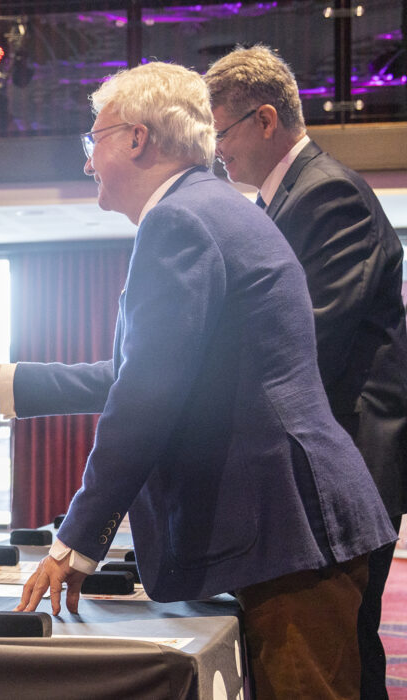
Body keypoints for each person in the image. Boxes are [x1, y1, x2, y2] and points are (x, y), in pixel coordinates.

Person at [0, 62, 395, 700]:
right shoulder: (207, 208)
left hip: (288, 530)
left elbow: (146, 397)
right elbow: (156, 374)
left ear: (137, 138)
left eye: (93, 139)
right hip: (290, 528)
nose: (89, 160)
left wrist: (76, 540)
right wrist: (15, 379)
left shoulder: (179, 220)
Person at [205, 45, 407, 700]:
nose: (218, 153)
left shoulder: (326, 195)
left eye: (222, 134)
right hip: (321, 483)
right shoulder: (286, 200)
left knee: (332, 663)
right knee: (349, 659)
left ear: (265, 120)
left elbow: (300, 350)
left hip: (342, 481)